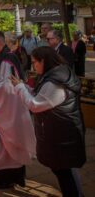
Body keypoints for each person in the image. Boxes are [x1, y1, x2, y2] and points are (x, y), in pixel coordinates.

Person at [9, 47, 86, 197]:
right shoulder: (55, 74)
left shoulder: (56, 82)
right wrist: (23, 86)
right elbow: (40, 96)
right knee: (64, 170)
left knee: (66, 172)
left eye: (35, 62)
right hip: (60, 132)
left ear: (44, 61)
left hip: (63, 135)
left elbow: (36, 105)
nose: (33, 66)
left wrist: (19, 88)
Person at [0, 30, 36, 189]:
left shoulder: (8, 60)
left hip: (7, 110)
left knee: (5, 142)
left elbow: (9, 87)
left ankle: (8, 177)